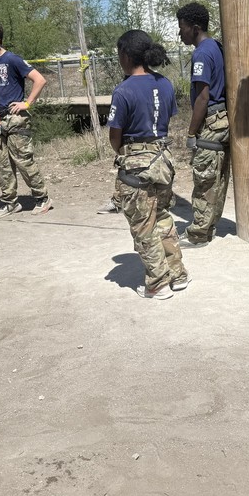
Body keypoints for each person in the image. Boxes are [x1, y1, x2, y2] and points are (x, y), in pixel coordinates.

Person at [108, 29, 189, 299]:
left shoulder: (123, 90)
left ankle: (157, 283)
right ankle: (178, 274)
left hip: (136, 163)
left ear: (127, 55)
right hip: (163, 160)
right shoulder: (164, 83)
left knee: (144, 226)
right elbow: (164, 120)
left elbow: (115, 136)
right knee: (163, 218)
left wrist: (125, 155)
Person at [0, 20, 52, 219]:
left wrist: (27, 103)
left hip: (15, 119)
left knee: (23, 160)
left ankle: (42, 198)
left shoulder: (13, 59)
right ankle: (10, 202)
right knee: (0, 163)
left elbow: (39, 79)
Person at [177, 2, 230, 248]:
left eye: (182, 27)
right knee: (216, 179)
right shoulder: (217, 46)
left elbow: (202, 96)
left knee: (204, 179)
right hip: (223, 121)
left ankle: (198, 234)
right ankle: (207, 228)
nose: (180, 33)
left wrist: (191, 132)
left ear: (195, 28)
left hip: (211, 121)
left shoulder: (201, 53)